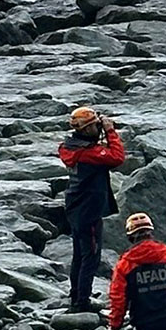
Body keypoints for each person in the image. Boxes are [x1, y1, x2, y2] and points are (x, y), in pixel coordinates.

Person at [58, 106, 125, 312]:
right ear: (86, 129)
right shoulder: (89, 152)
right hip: (90, 209)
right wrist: (110, 131)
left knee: (79, 254)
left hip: (75, 206)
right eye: (95, 125)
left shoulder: (69, 147)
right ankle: (82, 302)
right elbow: (117, 157)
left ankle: (76, 294)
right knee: (91, 256)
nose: (98, 127)